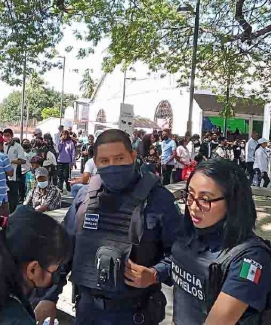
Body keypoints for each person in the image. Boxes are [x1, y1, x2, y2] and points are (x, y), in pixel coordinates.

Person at [35, 129, 182, 325]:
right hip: (88, 311)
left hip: (136, 314)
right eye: (105, 161)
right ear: (96, 163)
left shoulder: (159, 200)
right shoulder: (85, 198)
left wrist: (155, 274)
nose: (112, 166)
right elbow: (63, 251)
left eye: (119, 158)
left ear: (133, 156)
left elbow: (182, 256)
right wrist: (49, 297)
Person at [171, 159, 271, 324]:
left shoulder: (250, 259)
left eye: (205, 199)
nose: (193, 206)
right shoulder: (193, 233)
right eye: (189, 194)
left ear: (232, 202)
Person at [2, 129, 26, 212]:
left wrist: (11, 161)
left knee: (13, 196)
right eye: (4, 135)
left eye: (7, 135)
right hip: (3, 175)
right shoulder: (3, 145)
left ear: (11, 136)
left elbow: (23, 160)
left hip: (14, 176)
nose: (6, 137)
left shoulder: (17, 146)